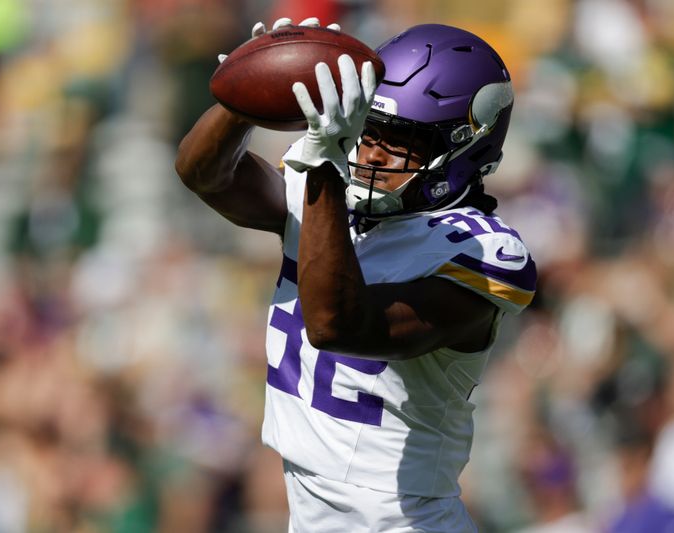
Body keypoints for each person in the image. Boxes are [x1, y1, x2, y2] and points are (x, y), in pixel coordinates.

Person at [176, 17, 537, 532]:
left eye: (400, 141)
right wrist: (245, 97)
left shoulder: (481, 250)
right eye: (369, 129)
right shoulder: (334, 198)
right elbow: (205, 175)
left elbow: (337, 325)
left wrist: (324, 165)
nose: (369, 153)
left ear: (465, 144)